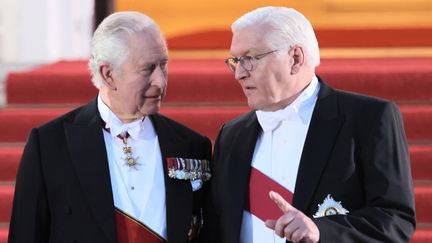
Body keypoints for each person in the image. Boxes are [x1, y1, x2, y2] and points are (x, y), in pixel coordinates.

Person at [200, 6, 415, 243]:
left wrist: (321, 231)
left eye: (250, 59)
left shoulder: (368, 119)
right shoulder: (232, 136)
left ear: (295, 58)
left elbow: (395, 219)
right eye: (235, 61)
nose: (238, 73)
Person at [8, 11, 212, 243]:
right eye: (147, 69)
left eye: (163, 65)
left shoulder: (192, 146)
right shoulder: (50, 146)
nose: (161, 81)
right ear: (108, 75)